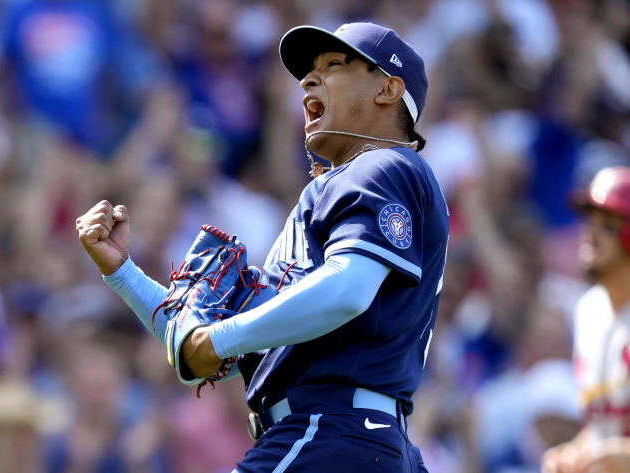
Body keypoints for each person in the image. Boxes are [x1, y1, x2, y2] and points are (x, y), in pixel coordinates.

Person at [76, 22, 449, 473]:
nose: (309, 79)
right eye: (309, 71)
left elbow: (348, 290)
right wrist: (123, 273)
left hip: (327, 432)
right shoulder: (335, 194)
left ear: (388, 89)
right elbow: (208, 346)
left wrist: (212, 340)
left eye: (334, 65)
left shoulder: (381, 164)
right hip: (352, 439)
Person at [542, 166, 630, 473]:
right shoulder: (587, 312)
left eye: (606, 225)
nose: (588, 232)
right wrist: (573, 454)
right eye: (588, 220)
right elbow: (602, 427)